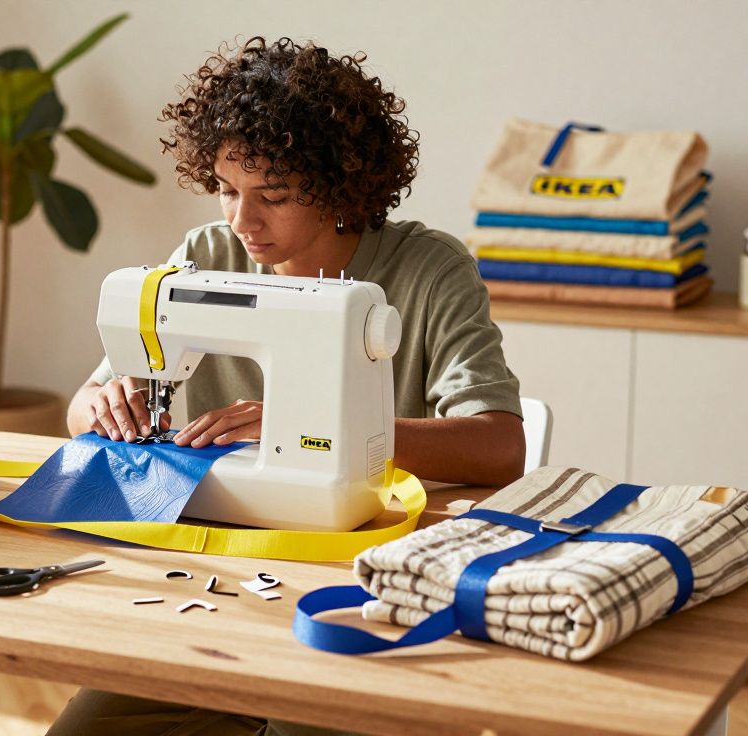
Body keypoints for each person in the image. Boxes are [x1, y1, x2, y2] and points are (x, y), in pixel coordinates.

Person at [53, 37, 524, 735]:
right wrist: (103, 406)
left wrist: (324, 434)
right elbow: (80, 409)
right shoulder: (205, 256)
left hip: (363, 589)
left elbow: (500, 448)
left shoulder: (429, 271)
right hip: (220, 582)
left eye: (271, 196)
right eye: (226, 190)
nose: (241, 221)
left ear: (339, 186)